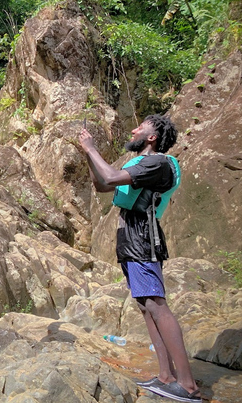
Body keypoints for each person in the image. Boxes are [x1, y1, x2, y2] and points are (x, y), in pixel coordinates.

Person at [78, 115, 201, 403]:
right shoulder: (142, 165)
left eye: (140, 128)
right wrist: (87, 154)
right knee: (146, 306)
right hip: (130, 234)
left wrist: (92, 148)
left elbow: (109, 176)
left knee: (157, 304)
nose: (134, 130)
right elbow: (102, 185)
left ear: (152, 137)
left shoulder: (156, 163)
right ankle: (166, 376)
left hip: (143, 235)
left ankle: (188, 385)